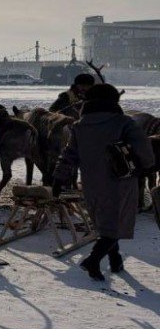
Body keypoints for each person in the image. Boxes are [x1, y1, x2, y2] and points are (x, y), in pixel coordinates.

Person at [53, 83, 155, 281]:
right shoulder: (124, 122)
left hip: (91, 181)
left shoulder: (79, 125)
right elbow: (144, 149)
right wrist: (147, 166)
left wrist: (59, 177)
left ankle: (116, 259)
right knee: (117, 222)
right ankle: (93, 260)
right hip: (121, 181)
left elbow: (69, 154)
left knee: (105, 222)